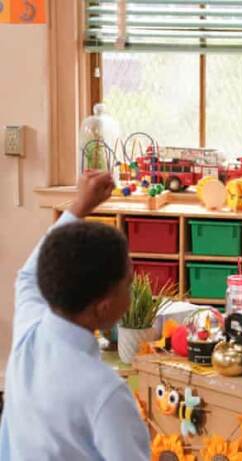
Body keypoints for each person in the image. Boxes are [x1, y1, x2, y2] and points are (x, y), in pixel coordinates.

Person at [0, 171, 150, 460]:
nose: (132, 292)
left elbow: (29, 276)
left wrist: (79, 206)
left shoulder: (29, 334)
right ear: (104, 306)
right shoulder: (105, 394)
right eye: (128, 284)